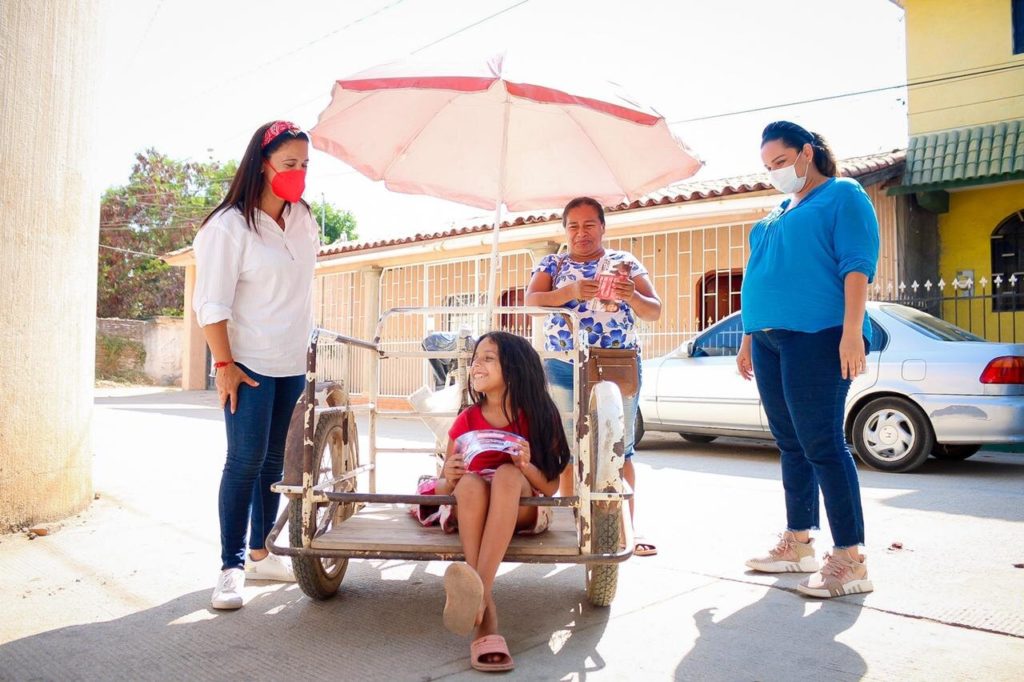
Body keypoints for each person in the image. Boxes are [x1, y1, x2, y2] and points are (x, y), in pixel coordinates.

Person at [738, 121, 879, 598]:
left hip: (818, 335)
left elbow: (856, 265)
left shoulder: (843, 194)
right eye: (768, 166)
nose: (775, 172)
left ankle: (851, 559)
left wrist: (851, 332)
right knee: (790, 443)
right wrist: (748, 337)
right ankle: (798, 544)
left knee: (822, 443)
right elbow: (760, 276)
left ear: (807, 153)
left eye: (780, 162)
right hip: (769, 339)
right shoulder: (779, 211)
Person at [191, 120, 320, 610]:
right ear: (262, 165)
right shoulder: (228, 227)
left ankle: (262, 553)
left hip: (291, 361)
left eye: (304, 164)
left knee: (274, 462)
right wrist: (223, 363)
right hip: (247, 363)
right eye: (289, 163)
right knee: (244, 460)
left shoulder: (303, 218)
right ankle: (231, 566)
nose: (298, 172)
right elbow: (211, 305)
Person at [524, 196, 662, 556]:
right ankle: (573, 526)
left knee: (620, 449)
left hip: (617, 363)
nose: (581, 232)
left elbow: (654, 311)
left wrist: (632, 296)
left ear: (602, 227)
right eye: (573, 225)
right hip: (563, 365)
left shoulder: (624, 263)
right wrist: (568, 292)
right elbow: (531, 301)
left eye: (589, 225)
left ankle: (626, 530)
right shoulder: (552, 263)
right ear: (565, 230)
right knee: (567, 449)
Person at [435, 332, 570, 673]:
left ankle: (479, 596)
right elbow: (441, 490)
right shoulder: (466, 420)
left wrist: (526, 466)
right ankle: (485, 607)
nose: (476, 365)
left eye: (488, 358)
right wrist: (449, 476)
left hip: (523, 507)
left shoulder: (539, 415)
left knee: (508, 475)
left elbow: (551, 487)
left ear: (515, 368)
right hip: (472, 508)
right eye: (475, 359)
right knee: (469, 483)